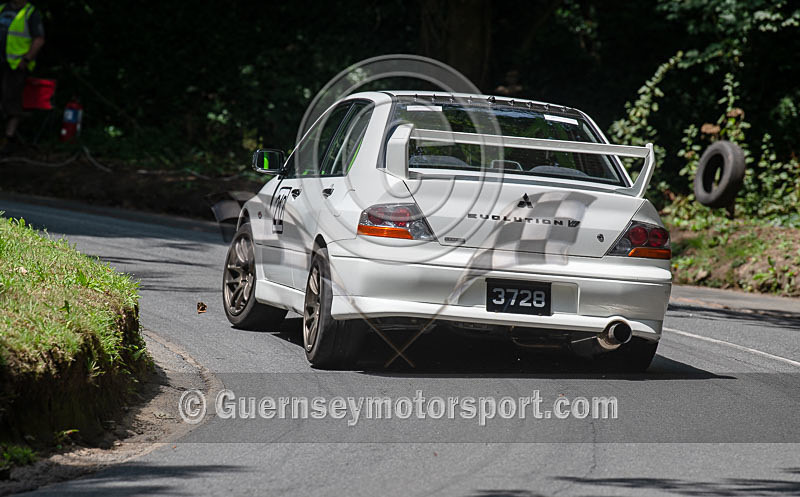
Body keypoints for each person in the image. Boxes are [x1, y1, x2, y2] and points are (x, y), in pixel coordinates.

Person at [0, 0, 44, 154]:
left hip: (16, 65)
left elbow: (39, 39)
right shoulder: (2, 8)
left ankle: (8, 139)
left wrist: (26, 59)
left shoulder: (30, 13)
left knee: (11, 101)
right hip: (2, 62)